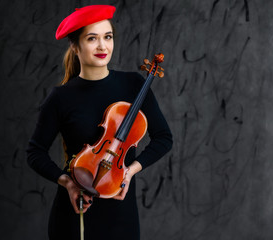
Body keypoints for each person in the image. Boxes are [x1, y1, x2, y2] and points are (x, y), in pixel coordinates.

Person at [26, 5, 173, 240]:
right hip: (74, 211)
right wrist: (68, 184)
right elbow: (35, 152)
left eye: (108, 37)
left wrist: (129, 171)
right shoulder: (60, 97)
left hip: (120, 215)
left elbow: (164, 138)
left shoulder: (134, 85)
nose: (103, 46)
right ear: (75, 46)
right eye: (92, 39)